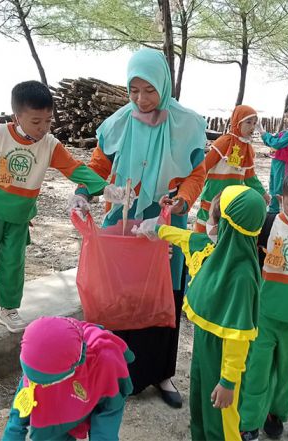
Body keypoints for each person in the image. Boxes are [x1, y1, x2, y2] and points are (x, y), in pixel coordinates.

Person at [68, 48, 207, 408]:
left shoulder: (186, 122)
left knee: (164, 293)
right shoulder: (118, 122)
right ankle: (114, 372)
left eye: (149, 90)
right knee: (122, 292)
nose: (142, 99)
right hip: (124, 219)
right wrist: (82, 192)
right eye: (134, 90)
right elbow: (98, 165)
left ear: (164, 84)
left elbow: (197, 171)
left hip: (164, 221)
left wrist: (183, 201)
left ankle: (161, 373)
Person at [0, 81, 122, 342]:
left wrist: (104, 187)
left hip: (19, 216)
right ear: (16, 117)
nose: (43, 128)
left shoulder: (50, 144)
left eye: (48, 121)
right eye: (35, 122)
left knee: (13, 264)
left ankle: (8, 309)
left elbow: (74, 168)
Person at [184, 185, 266, 440]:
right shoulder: (221, 255)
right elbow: (184, 238)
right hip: (204, 343)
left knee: (221, 419)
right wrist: (156, 229)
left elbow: (237, 335)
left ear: (226, 226)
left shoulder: (241, 276)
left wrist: (228, 382)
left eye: (212, 218)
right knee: (199, 402)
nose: (207, 223)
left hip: (223, 356)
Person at [239, 169, 288, 441]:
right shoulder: (267, 225)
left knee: (286, 373)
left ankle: (276, 413)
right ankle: (249, 421)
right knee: (256, 370)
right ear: (281, 200)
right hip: (264, 315)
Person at [2, 316, 134, 440]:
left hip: (90, 389)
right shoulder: (36, 369)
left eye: (46, 383)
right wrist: (13, 433)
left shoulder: (106, 362)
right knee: (51, 432)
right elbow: (18, 414)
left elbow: (109, 411)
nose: (34, 384)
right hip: (57, 406)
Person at [194, 105, 270, 233]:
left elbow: (250, 176)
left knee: (224, 227)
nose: (252, 127)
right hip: (213, 194)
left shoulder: (248, 149)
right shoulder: (224, 142)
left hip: (232, 197)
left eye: (254, 123)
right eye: (248, 122)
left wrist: (262, 193)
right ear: (237, 122)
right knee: (204, 224)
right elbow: (204, 166)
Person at [257, 105, 288, 213]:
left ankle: (277, 211)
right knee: (272, 184)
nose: (285, 119)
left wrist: (264, 133)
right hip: (276, 160)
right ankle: (273, 209)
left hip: (282, 162)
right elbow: (271, 141)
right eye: (285, 116)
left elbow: (276, 143)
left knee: (279, 186)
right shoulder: (285, 132)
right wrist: (263, 133)